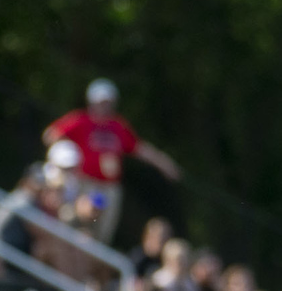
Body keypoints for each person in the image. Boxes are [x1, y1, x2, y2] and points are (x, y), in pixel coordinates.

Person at [43, 78, 181, 242]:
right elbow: (51, 135)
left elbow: (140, 149)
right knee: (76, 224)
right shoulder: (80, 121)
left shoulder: (119, 126)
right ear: (92, 102)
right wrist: (63, 162)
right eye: (101, 102)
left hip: (109, 189)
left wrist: (165, 164)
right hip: (85, 184)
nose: (104, 106)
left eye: (108, 102)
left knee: (102, 233)